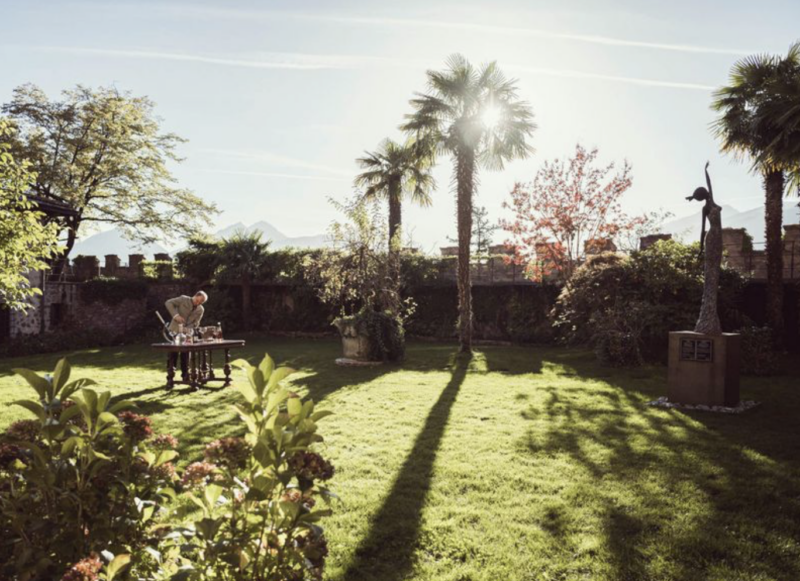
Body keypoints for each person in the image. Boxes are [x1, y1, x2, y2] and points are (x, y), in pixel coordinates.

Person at [165, 291, 208, 382]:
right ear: (195, 295)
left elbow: (196, 323)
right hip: (175, 331)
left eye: (201, 302)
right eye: (197, 300)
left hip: (187, 334)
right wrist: (176, 316)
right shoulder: (183, 299)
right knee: (173, 355)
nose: (198, 303)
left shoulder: (201, 310)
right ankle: (170, 377)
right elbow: (168, 303)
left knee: (186, 355)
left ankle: (185, 376)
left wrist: (189, 329)